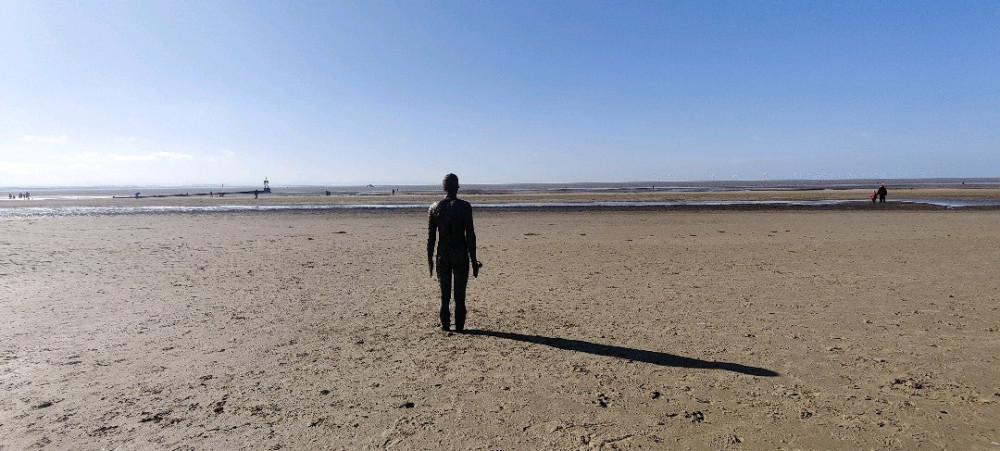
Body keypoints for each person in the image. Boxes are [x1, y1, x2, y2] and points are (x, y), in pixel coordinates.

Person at [427, 173, 480, 332]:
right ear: (457, 187)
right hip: (460, 254)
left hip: (443, 255)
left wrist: (430, 259)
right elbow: (470, 235)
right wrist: (474, 260)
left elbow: (431, 238)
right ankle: (459, 327)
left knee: (444, 296)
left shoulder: (434, 207)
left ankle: (445, 326)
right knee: (459, 296)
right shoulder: (464, 207)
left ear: (444, 187)